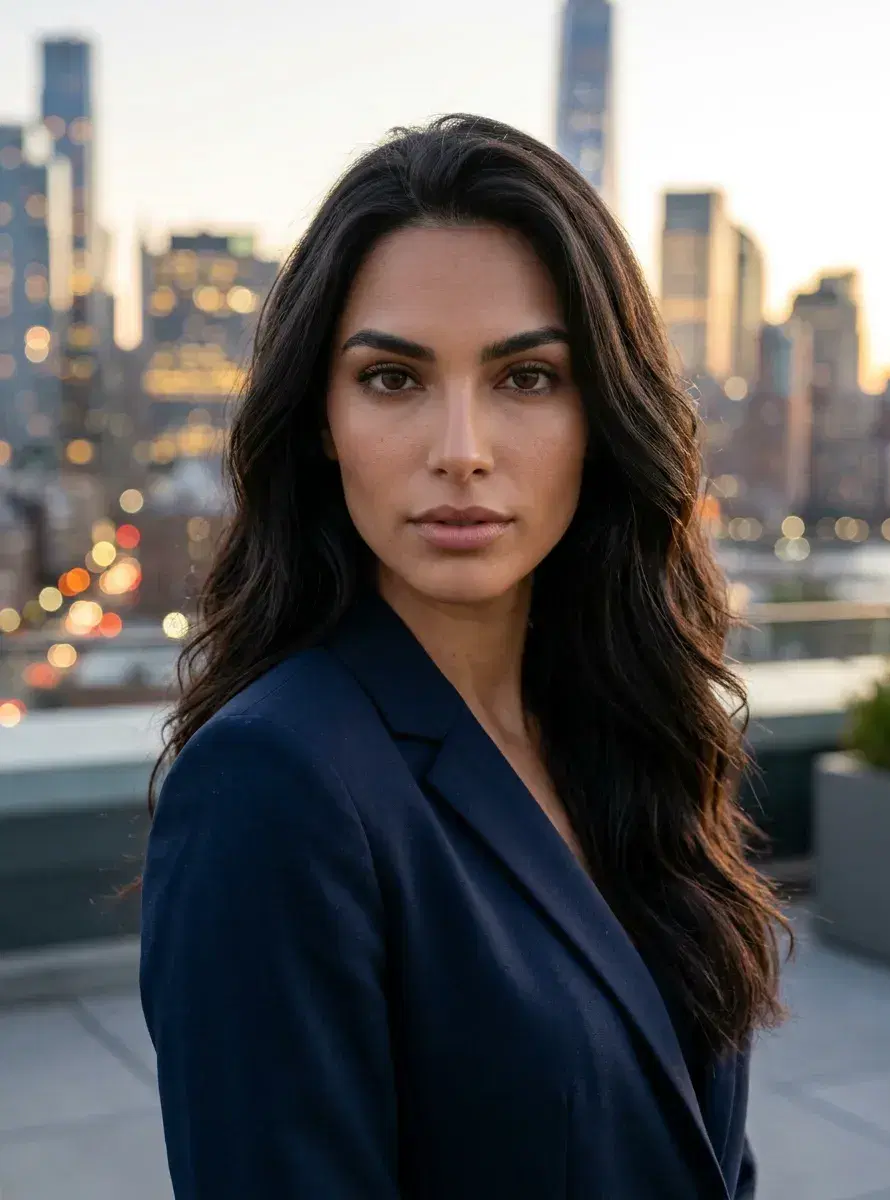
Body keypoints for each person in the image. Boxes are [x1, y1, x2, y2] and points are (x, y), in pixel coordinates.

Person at [139, 113, 790, 1199]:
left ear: (600, 412)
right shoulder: (271, 788)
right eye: (393, 379)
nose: (460, 453)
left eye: (524, 378)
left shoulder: (625, 723)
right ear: (319, 421)